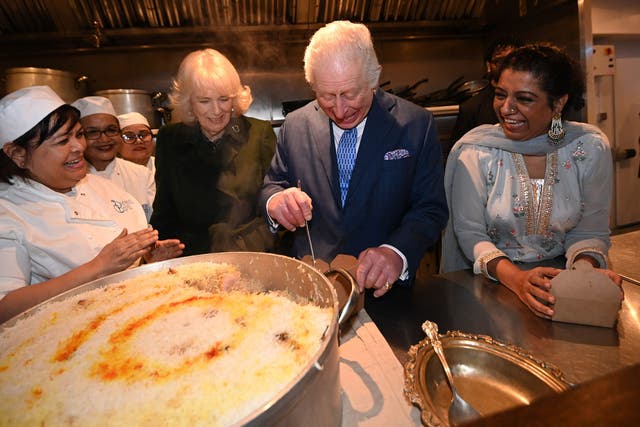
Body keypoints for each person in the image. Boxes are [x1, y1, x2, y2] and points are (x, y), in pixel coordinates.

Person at [259, 21, 448, 297]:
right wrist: (276, 202)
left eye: (349, 94)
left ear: (373, 79)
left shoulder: (416, 125)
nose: (339, 109)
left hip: (384, 290)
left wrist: (396, 253)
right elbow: (271, 185)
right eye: (326, 96)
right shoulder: (295, 125)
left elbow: (430, 209)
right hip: (314, 286)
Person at [441, 43, 622, 318]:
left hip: (559, 289)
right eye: (500, 95)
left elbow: (589, 231)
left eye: (524, 99)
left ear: (558, 102)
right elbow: (470, 233)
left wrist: (585, 273)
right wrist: (518, 280)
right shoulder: (478, 151)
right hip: (492, 288)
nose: (506, 108)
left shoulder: (587, 149)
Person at [0, 86, 184, 322]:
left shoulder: (104, 188)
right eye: (62, 141)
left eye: (78, 135)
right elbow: (4, 308)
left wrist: (146, 263)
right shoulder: (8, 212)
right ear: (17, 154)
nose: (79, 147)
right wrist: (99, 267)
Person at [151, 48, 277, 256]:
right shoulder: (169, 139)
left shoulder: (258, 134)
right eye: (204, 101)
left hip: (251, 254)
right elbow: (164, 211)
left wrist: (266, 246)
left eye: (223, 99)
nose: (216, 111)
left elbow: (274, 200)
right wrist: (159, 250)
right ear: (189, 102)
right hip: (193, 259)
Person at [71, 96, 156, 221]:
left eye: (111, 130)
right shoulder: (69, 179)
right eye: (93, 132)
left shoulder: (141, 175)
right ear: (78, 137)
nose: (104, 139)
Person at [446, 36, 523, 159]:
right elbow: (456, 154)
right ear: (488, 65)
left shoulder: (533, 102)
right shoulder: (472, 108)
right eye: (500, 61)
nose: (506, 67)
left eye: (513, 60)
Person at [117, 111, 156, 176]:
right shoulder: (112, 174)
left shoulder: (166, 167)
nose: (138, 141)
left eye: (143, 135)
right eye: (129, 136)